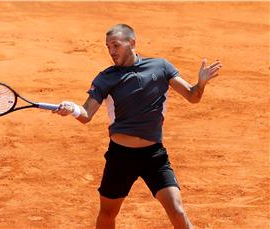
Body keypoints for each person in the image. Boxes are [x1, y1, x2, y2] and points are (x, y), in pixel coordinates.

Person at [53, 24, 222, 229]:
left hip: (154, 156)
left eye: (116, 45)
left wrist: (201, 83)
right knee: (107, 214)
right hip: (120, 157)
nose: (111, 51)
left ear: (132, 43)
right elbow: (86, 114)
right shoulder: (106, 77)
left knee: (177, 210)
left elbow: (192, 96)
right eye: (108, 47)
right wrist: (71, 108)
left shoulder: (160, 67)